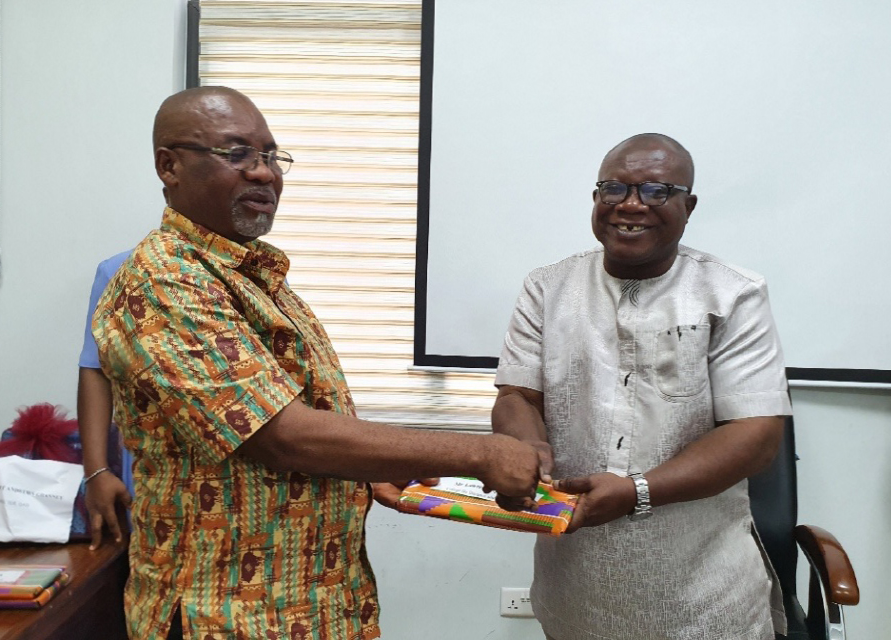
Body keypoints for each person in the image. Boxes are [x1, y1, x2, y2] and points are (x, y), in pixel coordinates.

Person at [90, 86, 543, 640]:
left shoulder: (257, 280)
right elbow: (283, 436)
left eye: (271, 156)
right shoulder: (166, 282)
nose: (264, 173)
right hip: (229, 615)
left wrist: (377, 465)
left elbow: (312, 422)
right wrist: (479, 452)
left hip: (313, 605)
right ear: (170, 165)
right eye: (237, 154)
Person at [492, 133, 792, 640]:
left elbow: (756, 433)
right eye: (614, 189)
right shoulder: (547, 288)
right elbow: (517, 396)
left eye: (656, 191)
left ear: (687, 205)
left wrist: (638, 492)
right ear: (595, 198)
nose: (631, 205)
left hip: (702, 597)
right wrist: (527, 450)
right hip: (575, 585)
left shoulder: (733, 294)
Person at [76, 249, 133, 550]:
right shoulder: (120, 271)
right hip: (155, 485)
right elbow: (96, 369)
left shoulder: (261, 272)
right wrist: (96, 471)